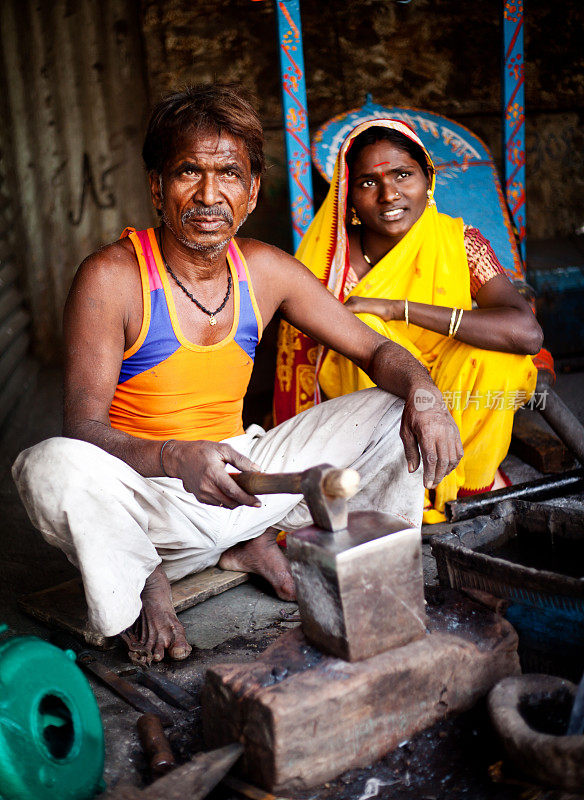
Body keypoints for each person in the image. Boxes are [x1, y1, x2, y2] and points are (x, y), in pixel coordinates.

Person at [12, 89, 462, 664]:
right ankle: (141, 581)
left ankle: (351, 561)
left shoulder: (265, 268)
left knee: (394, 405)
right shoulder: (112, 276)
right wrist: (175, 457)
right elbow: (84, 428)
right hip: (145, 496)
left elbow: (376, 350)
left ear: (251, 193)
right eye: (188, 172)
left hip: (243, 481)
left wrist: (424, 394)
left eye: (229, 173)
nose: (208, 194)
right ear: (156, 186)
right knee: (49, 466)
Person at [274, 119, 543, 524]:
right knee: (363, 325)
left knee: (500, 360)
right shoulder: (332, 260)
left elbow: (526, 333)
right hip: (366, 400)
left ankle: (468, 492)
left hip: (452, 393)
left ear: (428, 179)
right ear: (348, 196)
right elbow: (307, 357)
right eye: (368, 182)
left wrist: (397, 307)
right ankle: (397, 487)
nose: (389, 195)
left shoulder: (459, 242)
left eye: (403, 174)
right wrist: (375, 318)